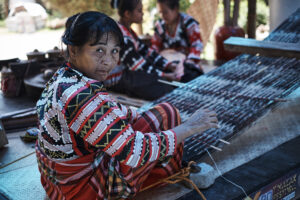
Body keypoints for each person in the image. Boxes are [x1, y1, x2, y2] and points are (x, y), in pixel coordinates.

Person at [35, 11, 218, 200]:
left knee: (157, 115)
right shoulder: (81, 97)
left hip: (56, 184)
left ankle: (160, 166)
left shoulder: (63, 78)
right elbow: (133, 151)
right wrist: (189, 127)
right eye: (99, 50)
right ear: (73, 50)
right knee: (168, 116)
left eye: (114, 51)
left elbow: (111, 111)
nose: (108, 60)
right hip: (82, 191)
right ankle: (166, 175)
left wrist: (137, 117)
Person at [107, 0, 181, 100]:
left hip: (128, 71)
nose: (143, 13)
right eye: (139, 10)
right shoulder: (122, 36)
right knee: (161, 88)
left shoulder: (128, 31)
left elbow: (146, 51)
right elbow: (137, 65)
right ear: (127, 14)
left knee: (156, 72)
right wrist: (165, 75)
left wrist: (168, 65)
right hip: (117, 79)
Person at [151, 0, 204, 82]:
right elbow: (154, 48)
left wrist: (190, 61)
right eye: (160, 13)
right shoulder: (160, 26)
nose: (162, 16)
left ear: (175, 9)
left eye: (165, 12)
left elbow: (197, 45)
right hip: (167, 64)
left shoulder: (189, 23)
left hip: (186, 64)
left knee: (189, 77)